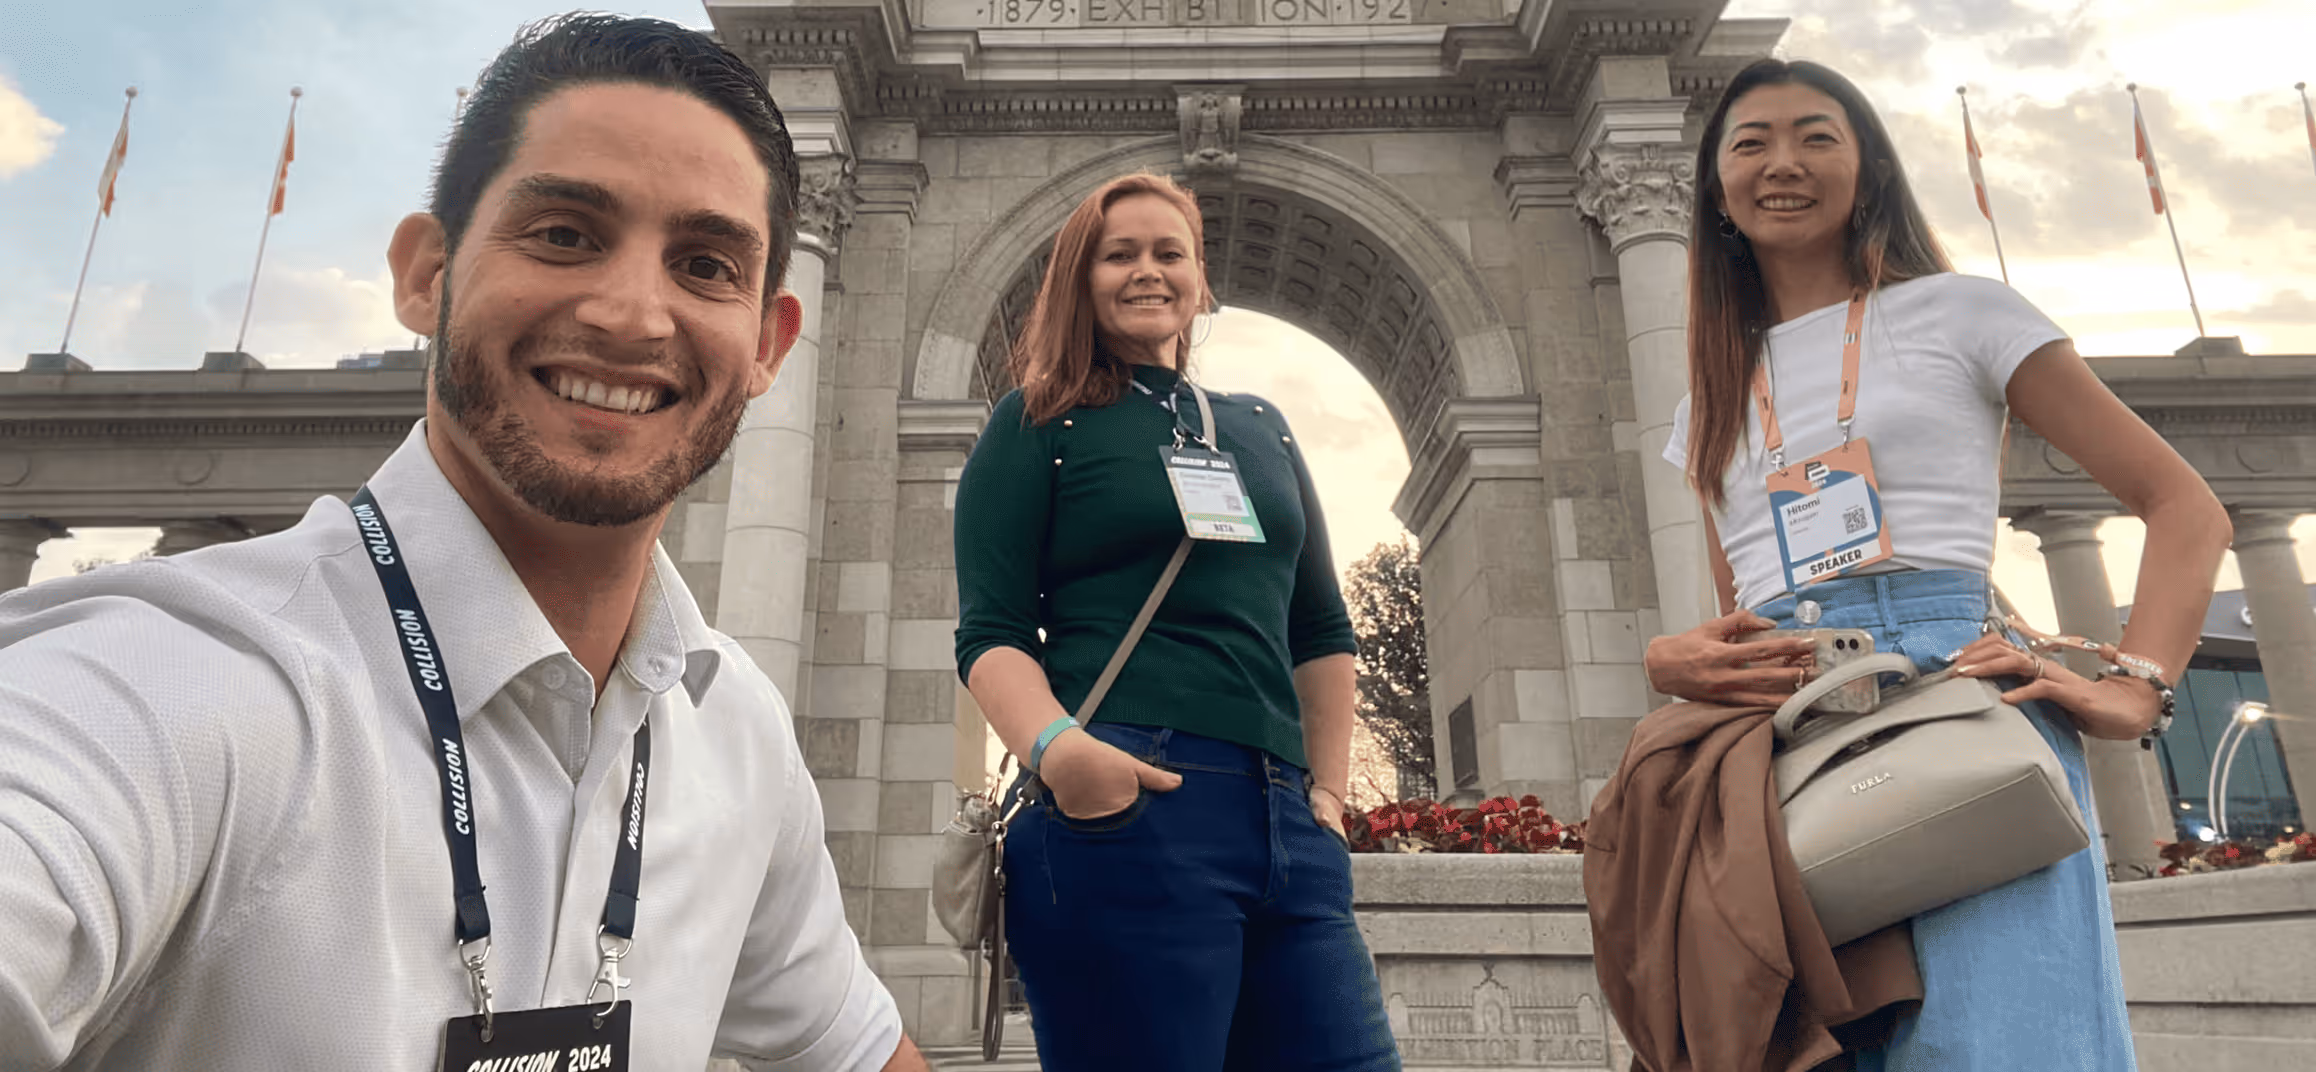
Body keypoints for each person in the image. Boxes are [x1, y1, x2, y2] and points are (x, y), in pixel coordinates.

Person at [0, 15, 929, 1071]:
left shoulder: (737, 734)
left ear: (767, 344)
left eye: (705, 263)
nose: (632, 316)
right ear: (425, 275)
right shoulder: (170, 686)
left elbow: (854, 1047)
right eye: (565, 234)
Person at [1645, 59, 2232, 1070]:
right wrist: (1674, 661)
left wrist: (2134, 689)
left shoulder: (1966, 312)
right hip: (1787, 740)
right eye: (1751, 142)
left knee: (2003, 1039)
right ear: (1716, 189)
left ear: (1869, 169)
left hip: (1963, 705)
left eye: (1816, 136)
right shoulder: (1706, 399)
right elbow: (1737, 614)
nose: (1783, 162)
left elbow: (2186, 507)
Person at [951, 172, 1401, 1072]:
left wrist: (1327, 798)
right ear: (1079, 277)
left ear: (1201, 276)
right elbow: (991, 631)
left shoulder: (1262, 427)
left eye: (1171, 253)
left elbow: (1320, 628)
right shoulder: (1038, 423)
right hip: (1125, 810)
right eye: (1119, 254)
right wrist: (1066, 758)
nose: (1147, 271)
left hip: (1287, 822)